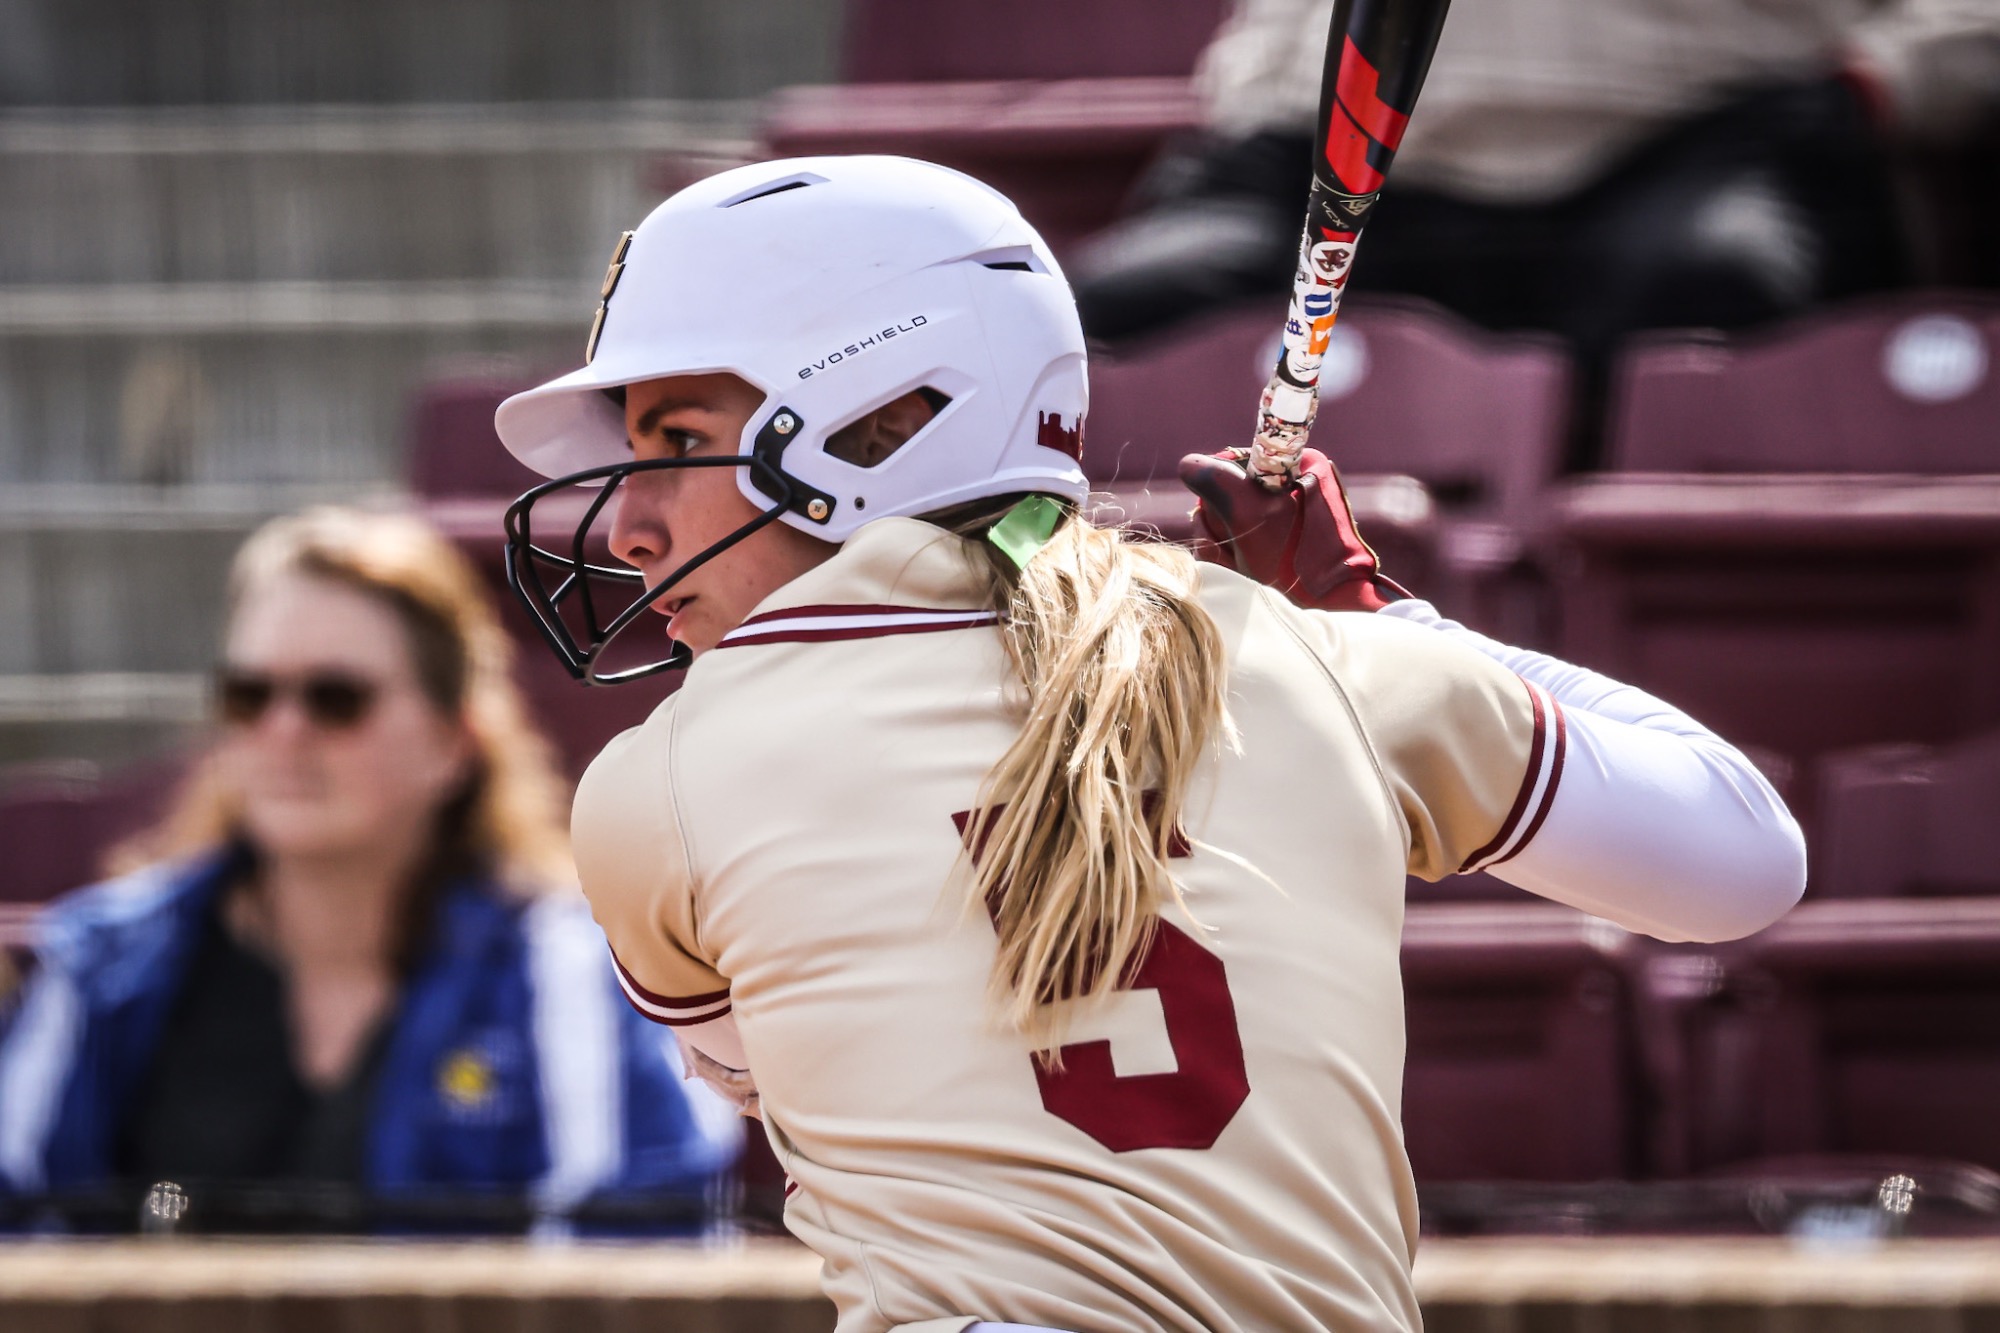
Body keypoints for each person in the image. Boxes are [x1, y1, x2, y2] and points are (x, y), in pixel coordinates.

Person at [495, 157, 1804, 1332]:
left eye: (679, 441)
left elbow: (774, 1076)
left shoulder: (663, 781)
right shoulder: (1310, 661)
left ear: (885, 418)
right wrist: (1381, 623)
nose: (628, 528)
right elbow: (1743, 864)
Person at [0, 507, 738, 1232]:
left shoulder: (566, 982)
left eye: (336, 699)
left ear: (453, 741)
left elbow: (636, 1266)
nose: (284, 730)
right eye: (250, 695)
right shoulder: (100, 970)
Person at [1070, 0, 2000, 462]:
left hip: (1697, 135)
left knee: (1715, 290)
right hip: (1332, 141)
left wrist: (1889, 78)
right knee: (1101, 317)